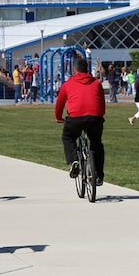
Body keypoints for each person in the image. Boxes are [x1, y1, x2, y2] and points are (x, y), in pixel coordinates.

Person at [54, 58, 106, 186]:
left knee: (68, 137)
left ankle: (74, 160)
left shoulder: (68, 84)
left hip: (75, 118)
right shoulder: (96, 83)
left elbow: (59, 104)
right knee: (96, 143)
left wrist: (58, 117)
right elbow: (102, 103)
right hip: (95, 118)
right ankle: (98, 174)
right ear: (87, 69)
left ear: (74, 70)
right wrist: (100, 115)